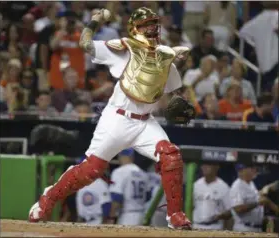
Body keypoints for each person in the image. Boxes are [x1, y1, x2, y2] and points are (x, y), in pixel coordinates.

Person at [28, 7, 193, 229]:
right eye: (146, 24)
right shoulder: (124, 49)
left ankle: (175, 216)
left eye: (154, 23)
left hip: (145, 122)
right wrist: (94, 21)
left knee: (171, 156)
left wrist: (176, 96)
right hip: (117, 119)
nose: (152, 28)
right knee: (91, 171)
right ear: (136, 28)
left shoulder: (165, 57)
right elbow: (85, 44)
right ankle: (48, 198)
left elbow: (166, 96)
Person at [239, 2, 278, 92]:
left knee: (267, 85)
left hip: (265, 60)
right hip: (274, 60)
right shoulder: (274, 16)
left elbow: (243, 32)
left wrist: (255, 44)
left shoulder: (258, 19)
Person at [230, 164, 279, 232]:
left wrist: (267, 188)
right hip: (244, 228)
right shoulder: (237, 186)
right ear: (242, 171)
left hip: (257, 228)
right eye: (251, 168)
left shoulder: (251, 184)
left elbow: (254, 197)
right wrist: (257, 203)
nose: (255, 170)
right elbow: (238, 209)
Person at [107, 149, 148, 225]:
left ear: (120, 156)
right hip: (142, 215)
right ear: (132, 156)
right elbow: (148, 196)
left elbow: (117, 197)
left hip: (127, 216)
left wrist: (111, 217)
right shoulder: (143, 173)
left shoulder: (119, 172)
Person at [193, 163, 231, 230]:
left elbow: (230, 212)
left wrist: (221, 216)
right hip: (196, 226)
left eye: (208, 164)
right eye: (203, 164)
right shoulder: (196, 185)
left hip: (215, 227)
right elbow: (190, 207)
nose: (205, 167)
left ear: (216, 167)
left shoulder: (224, 187)